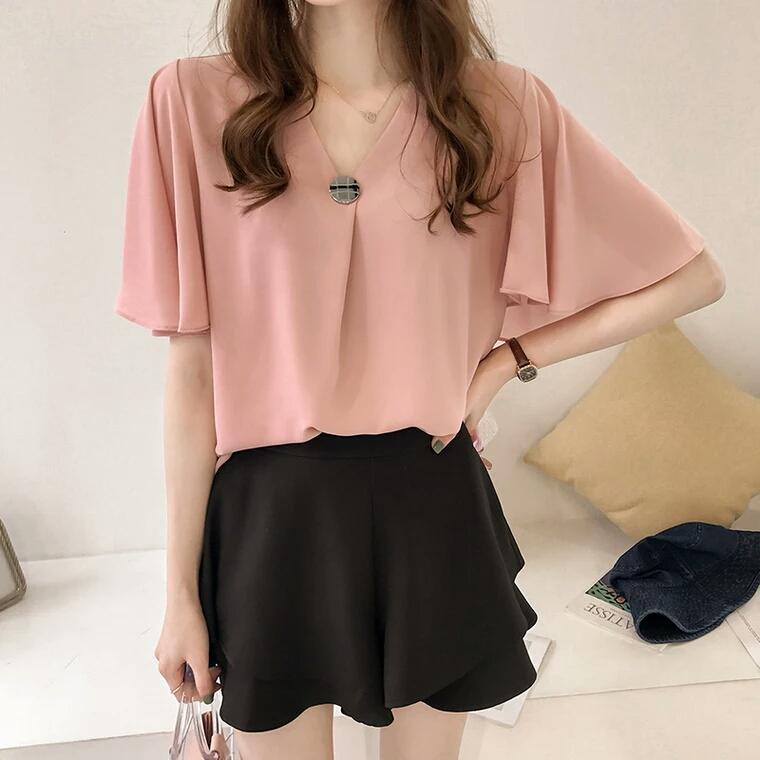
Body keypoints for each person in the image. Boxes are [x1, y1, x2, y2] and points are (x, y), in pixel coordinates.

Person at [114, 1, 725, 758]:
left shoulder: (498, 107)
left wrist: (506, 360)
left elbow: (691, 276)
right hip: (271, 518)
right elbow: (192, 373)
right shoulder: (191, 100)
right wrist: (179, 594)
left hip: (433, 498)